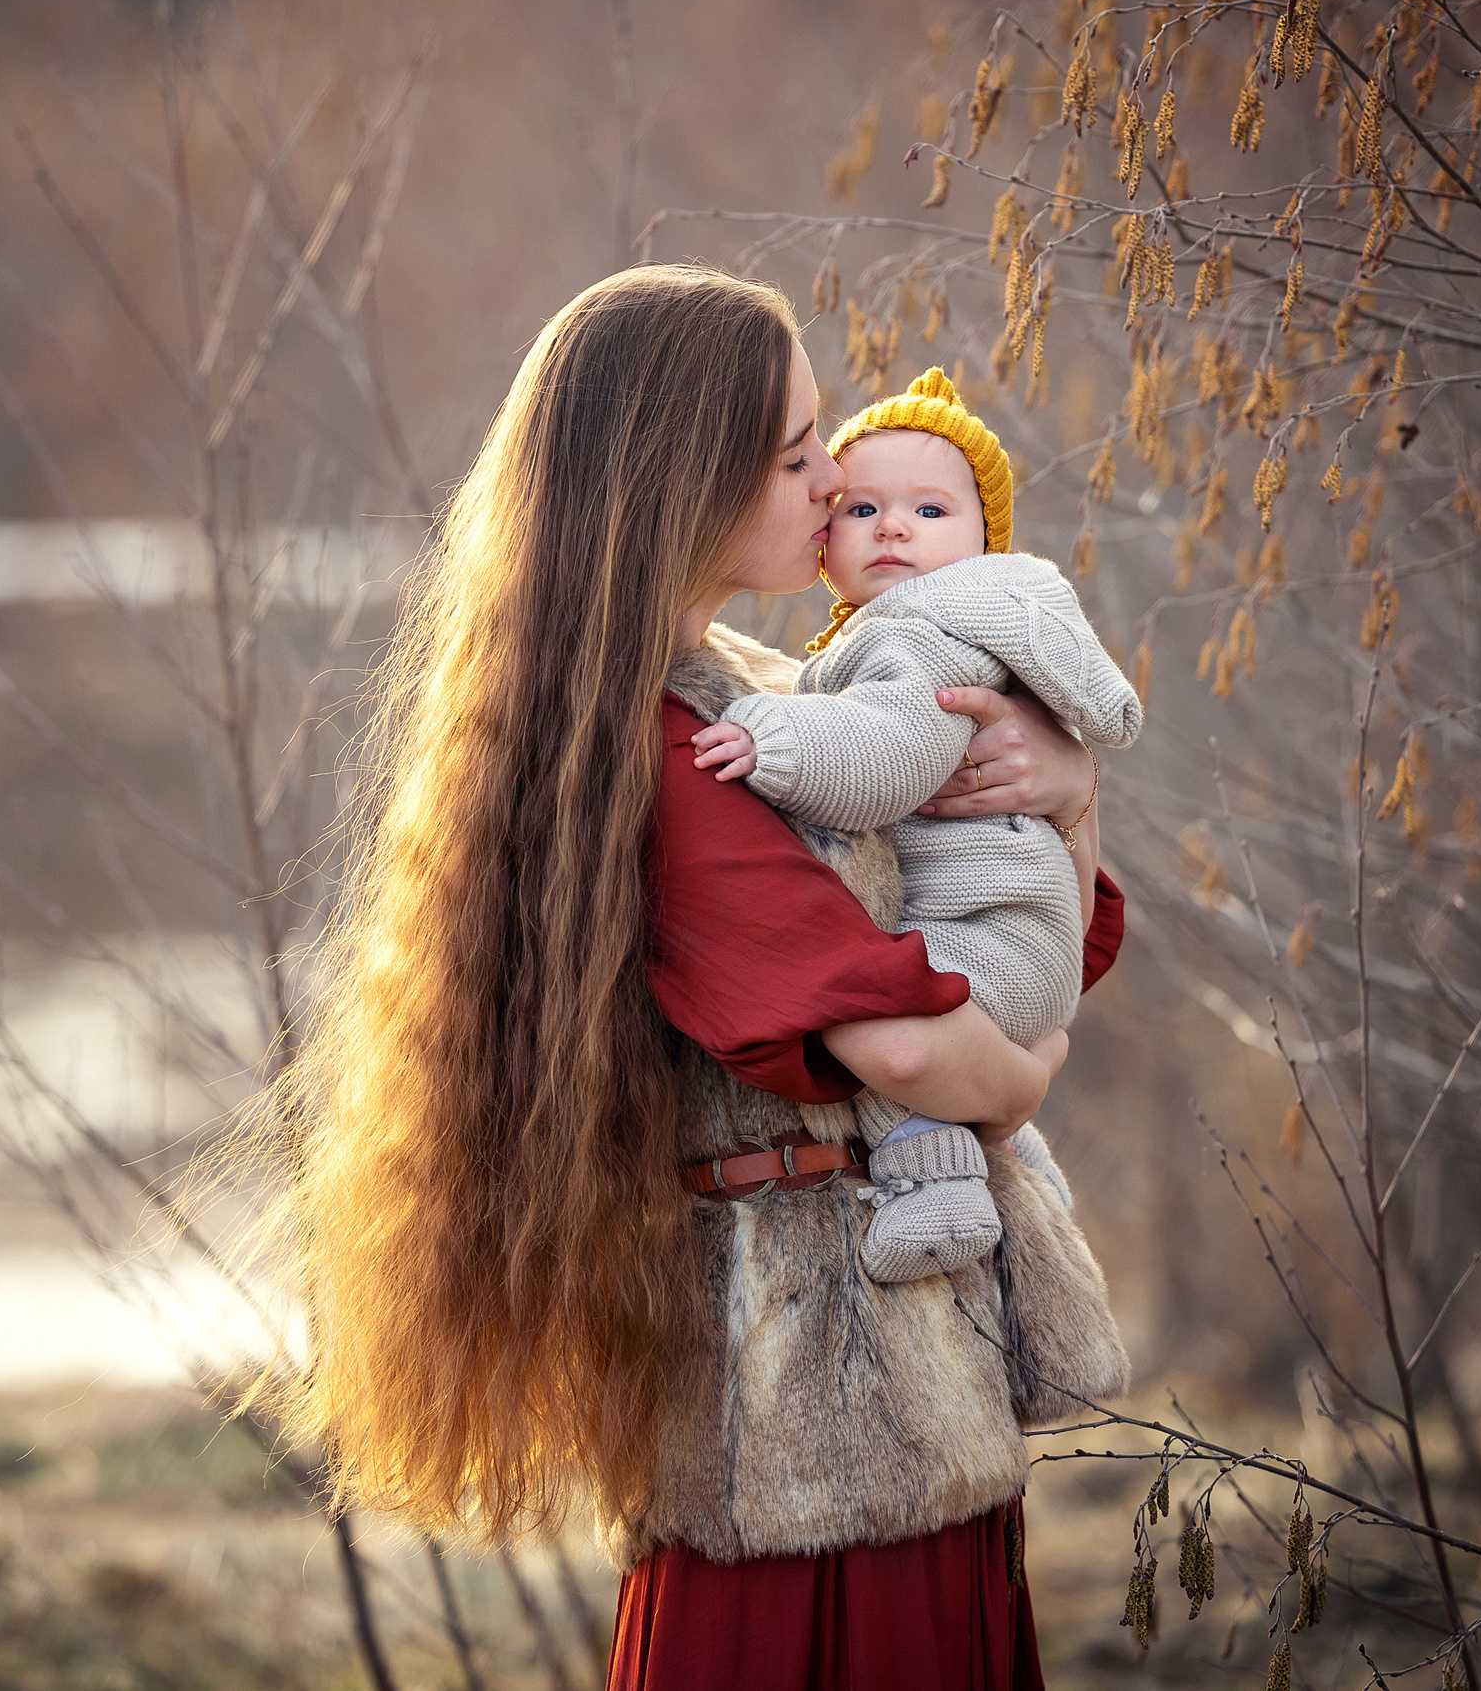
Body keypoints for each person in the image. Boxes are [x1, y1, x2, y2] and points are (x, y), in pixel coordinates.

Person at [268, 265, 1128, 1690]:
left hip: (888, 1391)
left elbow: (1043, 934)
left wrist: (1069, 791)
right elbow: (911, 1052)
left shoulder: (767, 693)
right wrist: (1024, 1082)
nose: (837, 475)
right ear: (687, 484)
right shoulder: (672, 758)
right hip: (803, 1433)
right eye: (797, 455)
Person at [681, 367, 1142, 1283]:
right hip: (1011, 957)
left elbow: (880, 757)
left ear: (983, 547)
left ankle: (939, 1181)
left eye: (930, 512)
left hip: (986, 949)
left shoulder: (906, 642)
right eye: (860, 506)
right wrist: (1022, 1083)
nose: (883, 523)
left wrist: (1068, 784)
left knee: (919, 1037)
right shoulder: (794, 674)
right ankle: (996, 1150)